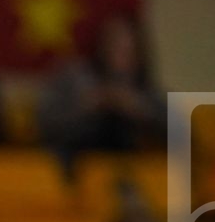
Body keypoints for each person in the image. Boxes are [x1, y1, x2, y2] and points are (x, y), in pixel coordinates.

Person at [37, 12, 165, 170]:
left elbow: (182, 136)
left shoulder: (147, 91)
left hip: (133, 171)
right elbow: (45, 125)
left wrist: (138, 109)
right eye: (115, 46)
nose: (121, 56)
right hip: (75, 166)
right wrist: (87, 106)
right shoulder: (74, 77)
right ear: (102, 46)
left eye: (129, 51)